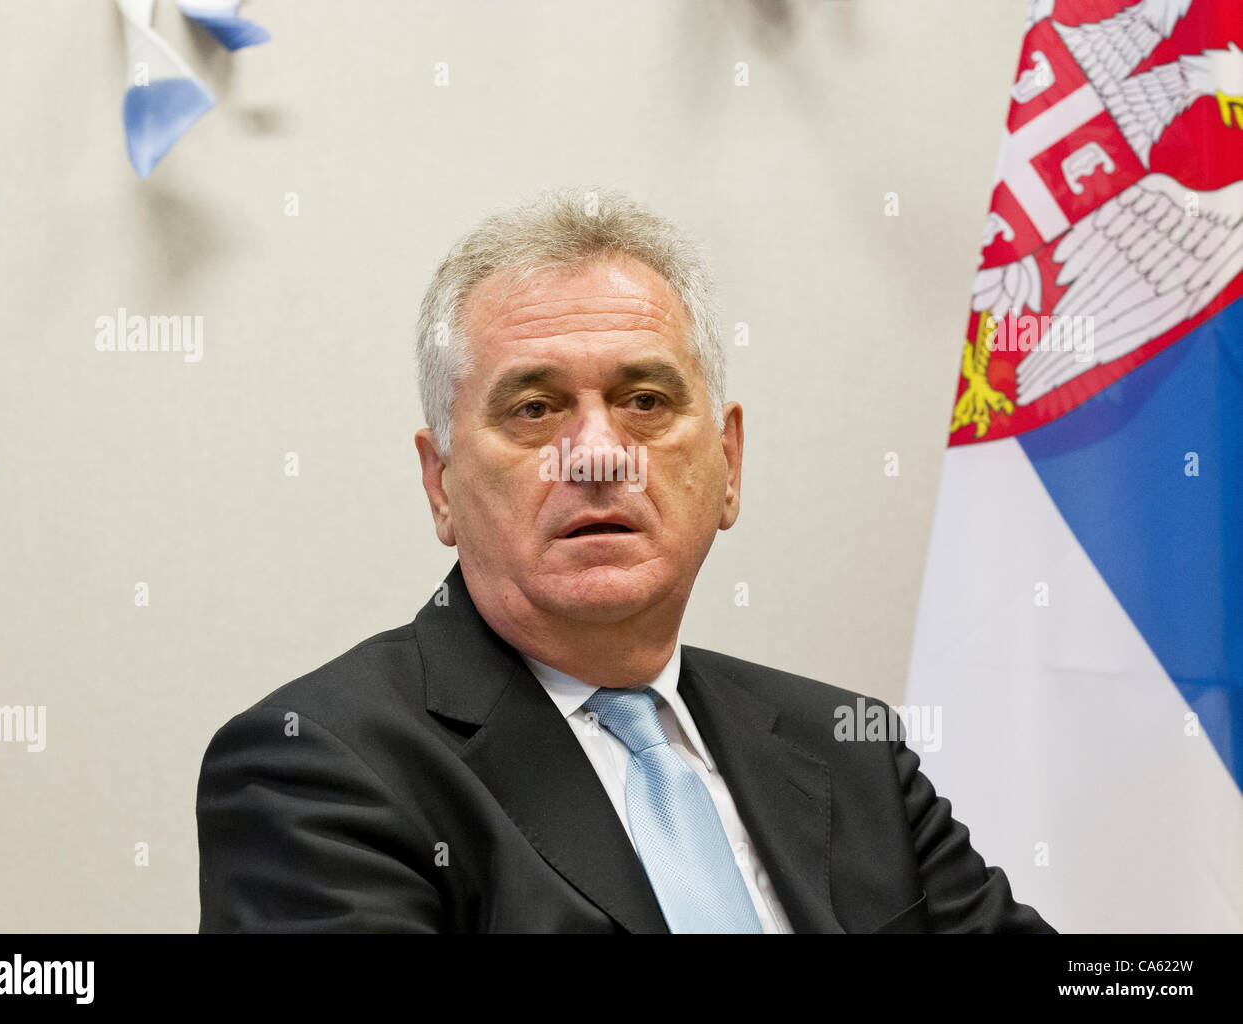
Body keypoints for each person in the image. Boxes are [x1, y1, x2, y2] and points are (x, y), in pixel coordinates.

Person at [196, 188, 1055, 934]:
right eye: (534, 409)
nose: (601, 456)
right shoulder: (317, 770)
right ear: (442, 484)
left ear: (729, 465)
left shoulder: (847, 748)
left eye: (645, 401)